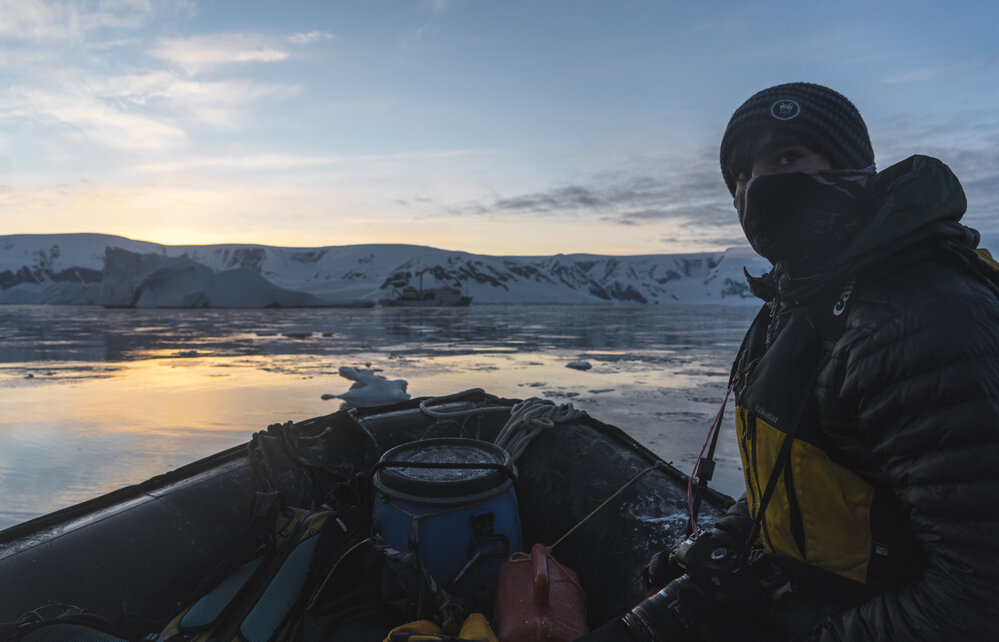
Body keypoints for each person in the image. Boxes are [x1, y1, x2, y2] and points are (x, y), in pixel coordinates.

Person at [578, 82, 999, 640]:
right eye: (742, 177)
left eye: (785, 158)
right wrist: (728, 535)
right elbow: (816, 481)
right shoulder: (801, 300)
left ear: (851, 170)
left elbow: (978, 596)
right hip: (804, 591)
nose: (758, 190)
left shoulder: (920, 319)